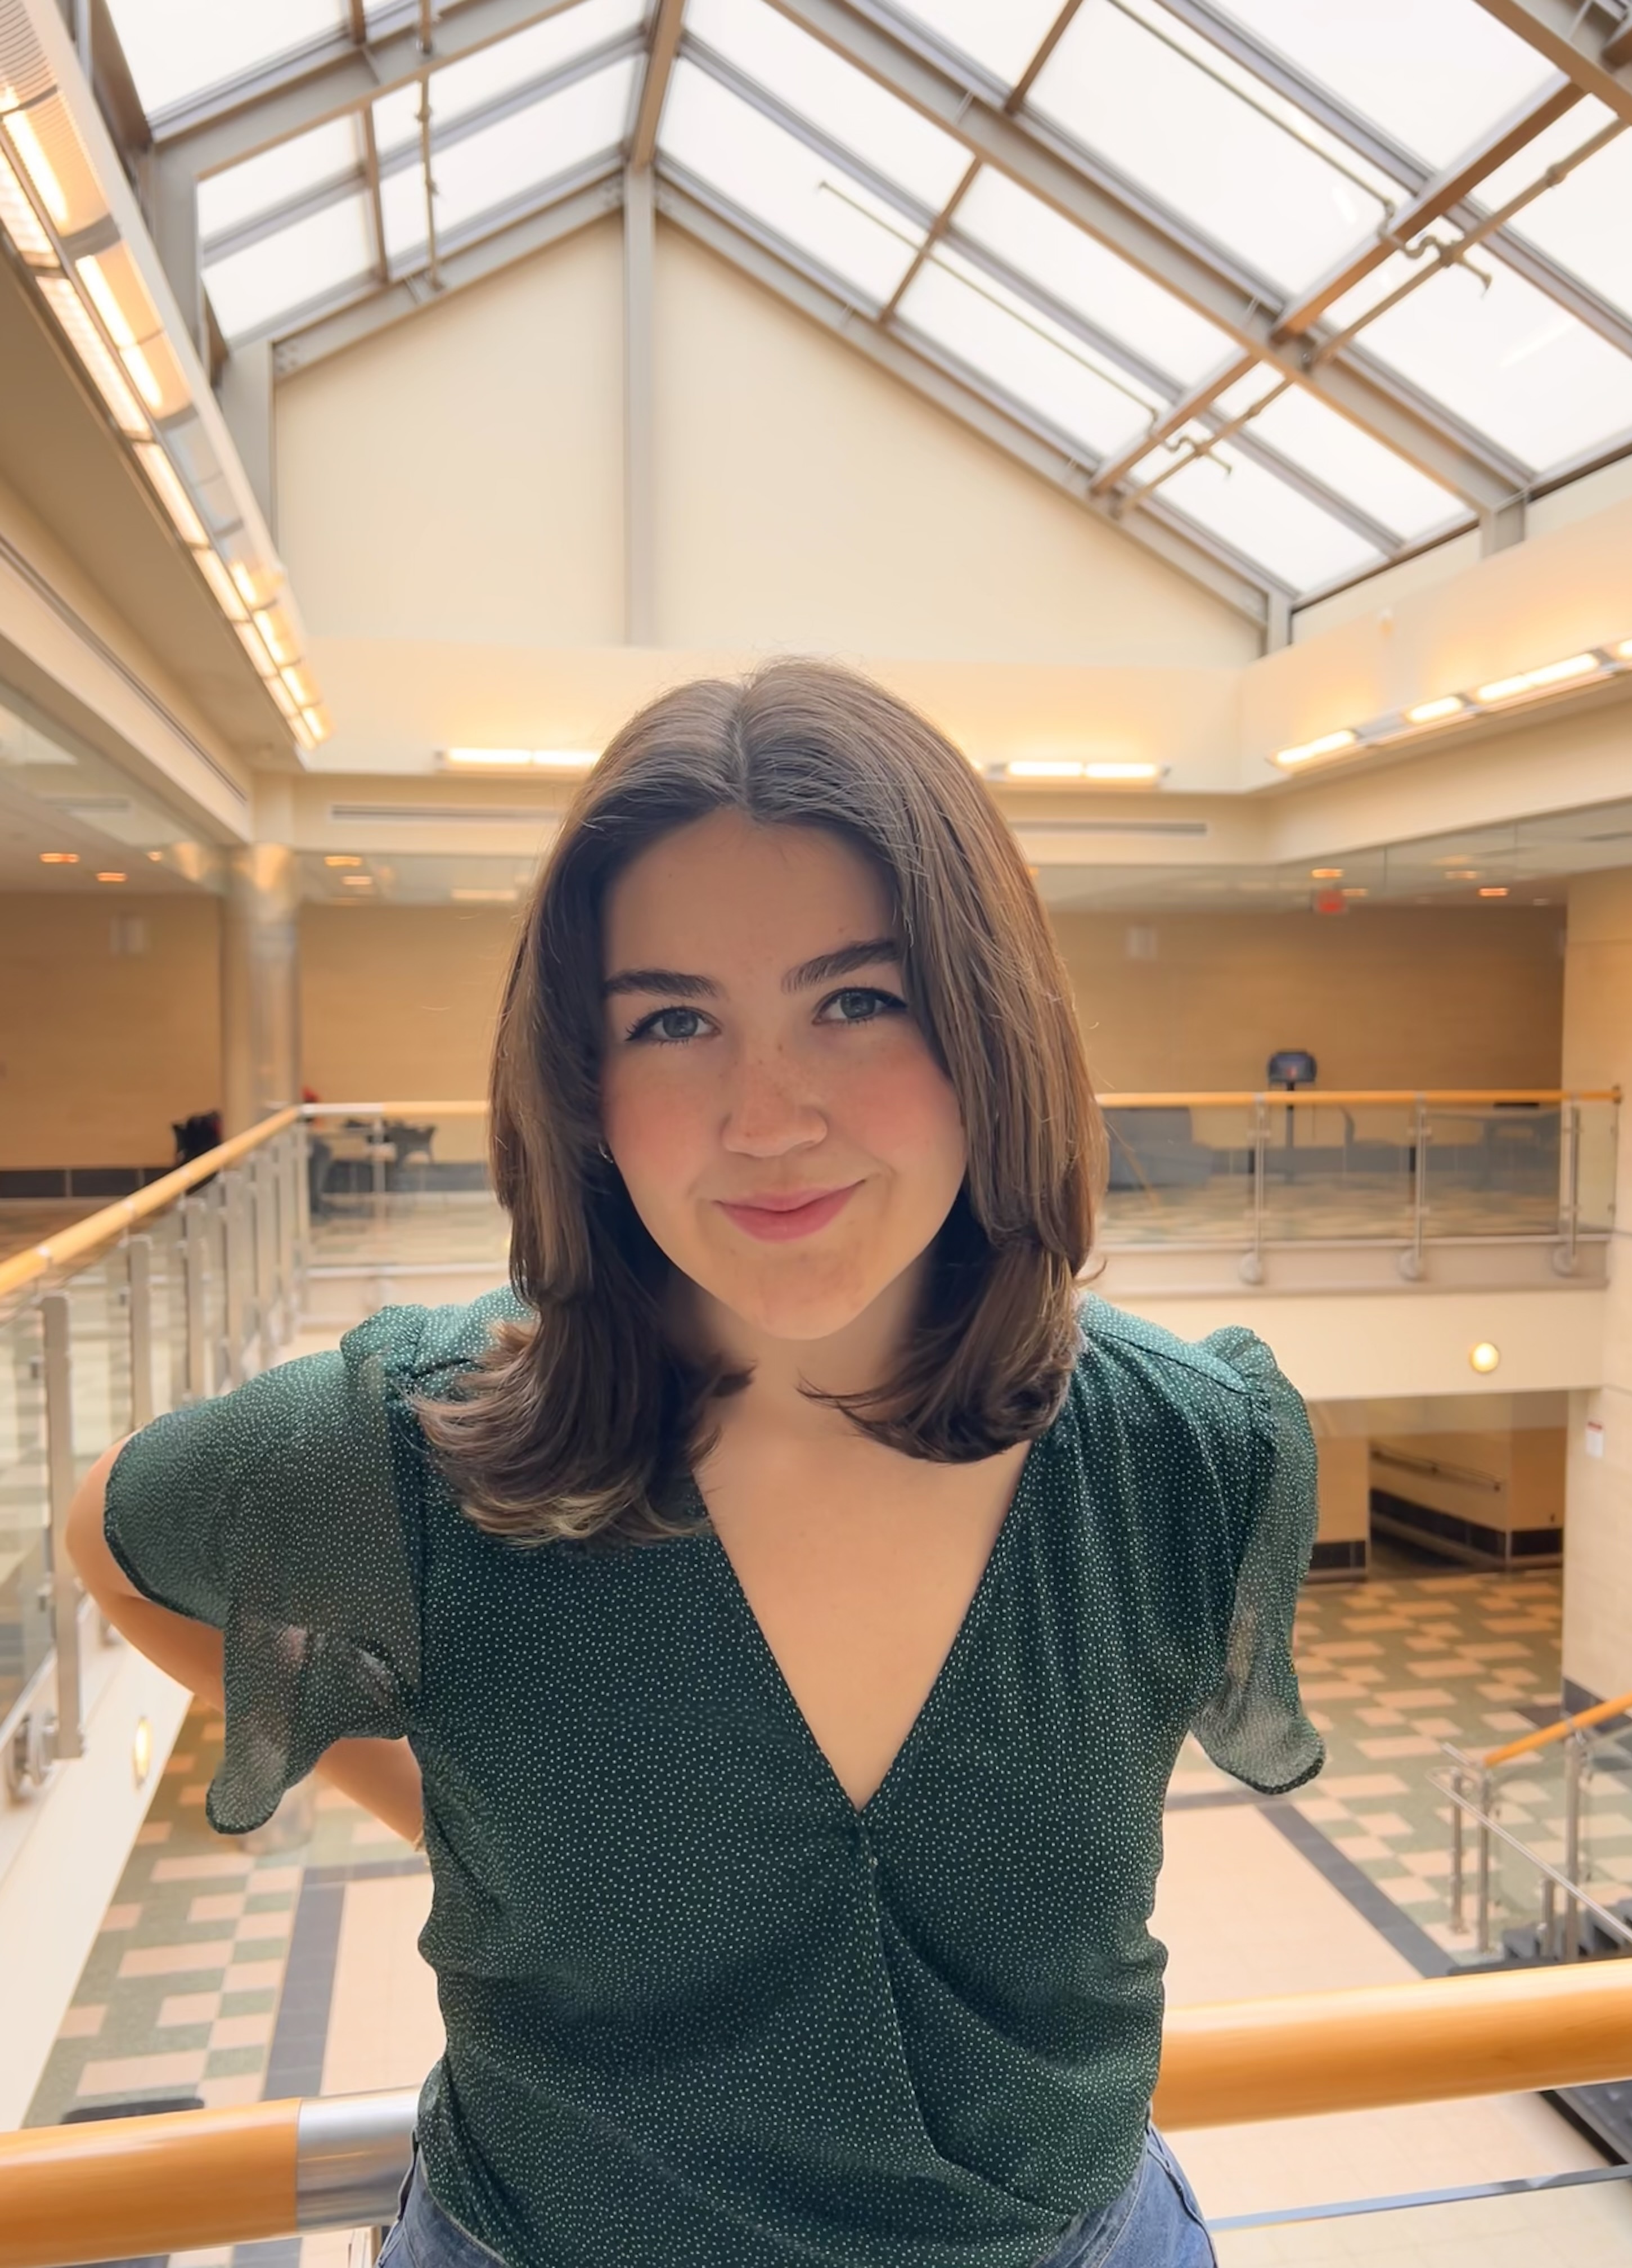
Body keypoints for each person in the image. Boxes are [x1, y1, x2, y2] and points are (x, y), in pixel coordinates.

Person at [69, 662, 1323, 2268]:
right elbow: (118, 1540)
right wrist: (447, 1798)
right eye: (673, 1021)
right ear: (585, 1090)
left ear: (989, 1025)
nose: (767, 1116)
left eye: (856, 1001)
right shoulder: (422, 1456)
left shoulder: (1186, 1459)